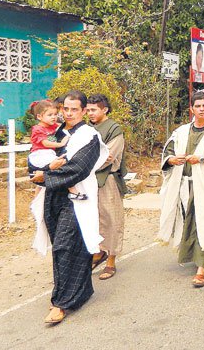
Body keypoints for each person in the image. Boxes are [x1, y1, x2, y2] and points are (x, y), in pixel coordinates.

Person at [30, 90, 108, 324]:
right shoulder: (58, 132)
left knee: (64, 246)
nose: (69, 113)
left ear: (84, 111)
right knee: (68, 245)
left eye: (75, 109)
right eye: (66, 108)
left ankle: (61, 302)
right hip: (53, 197)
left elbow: (79, 168)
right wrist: (39, 173)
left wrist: (45, 176)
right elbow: (36, 157)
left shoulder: (89, 136)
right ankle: (81, 291)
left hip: (77, 198)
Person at [157, 91, 204, 287]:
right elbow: (168, 152)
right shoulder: (180, 132)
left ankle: (201, 268)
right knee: (189, 222)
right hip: (184, 185)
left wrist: (203, 159)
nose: (202, 109)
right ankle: (198, 257)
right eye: (198, 106)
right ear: (192, 109)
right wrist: (172, 160)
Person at [87, 94, 126, 280]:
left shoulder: (114, 129)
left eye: (94, 109)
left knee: (111, 219)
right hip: (87, 181)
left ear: (105, 110)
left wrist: (85, 161)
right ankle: (98, 252)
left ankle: (111, 260)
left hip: (108, 179)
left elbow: (107, 158)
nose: (90, 113)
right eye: (87, 110)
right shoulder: (87, 129)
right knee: (93, 219)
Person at [27, 100, 83, 199]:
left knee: (42, 182)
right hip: (40, 154)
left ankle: (36, 202)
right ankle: (72, 190)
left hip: (48, 153)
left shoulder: (52, 126)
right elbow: (45, 143)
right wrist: (61, 144)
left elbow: (62, 127)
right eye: (50, 115)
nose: (54, 117)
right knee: (61, 165)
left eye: (55, 114)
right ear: (39, 117)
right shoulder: (38, 129)